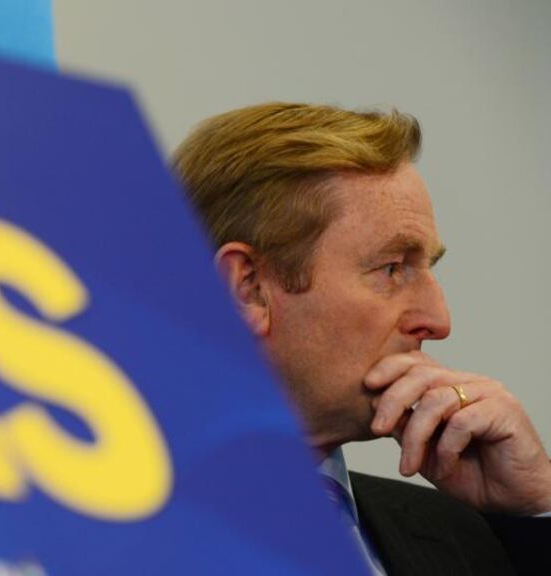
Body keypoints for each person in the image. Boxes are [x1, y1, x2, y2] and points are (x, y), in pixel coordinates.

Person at [173, 102, 551, 575]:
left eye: (427, 268)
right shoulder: (92, 529)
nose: (439, 320)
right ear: (248, 289)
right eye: (392, 268)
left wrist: (537, 504)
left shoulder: (464, 533)